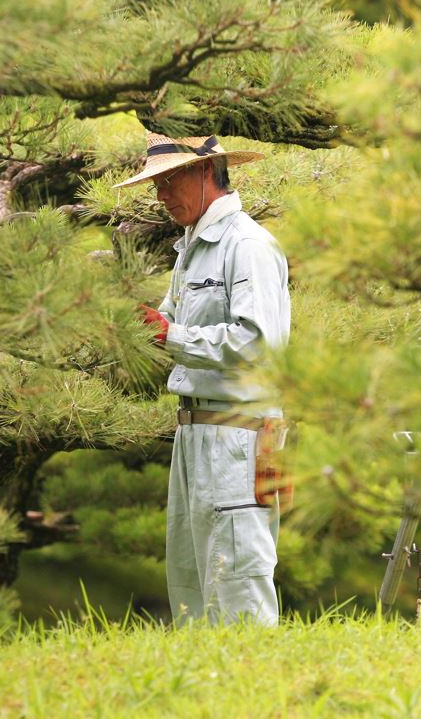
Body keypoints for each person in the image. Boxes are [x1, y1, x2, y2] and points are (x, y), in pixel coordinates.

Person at [114, 132, 291, 625]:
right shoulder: (190, 248)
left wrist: (169, 336)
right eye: (156, 184)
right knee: (192, 579)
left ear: (207, 173)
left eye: (170, 179)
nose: (160, 195)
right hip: (196, 432)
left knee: (238, 578)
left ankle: (256, 696)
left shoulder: (249, 245)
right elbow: (169, 327)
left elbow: (259, 344)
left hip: (240, 434)